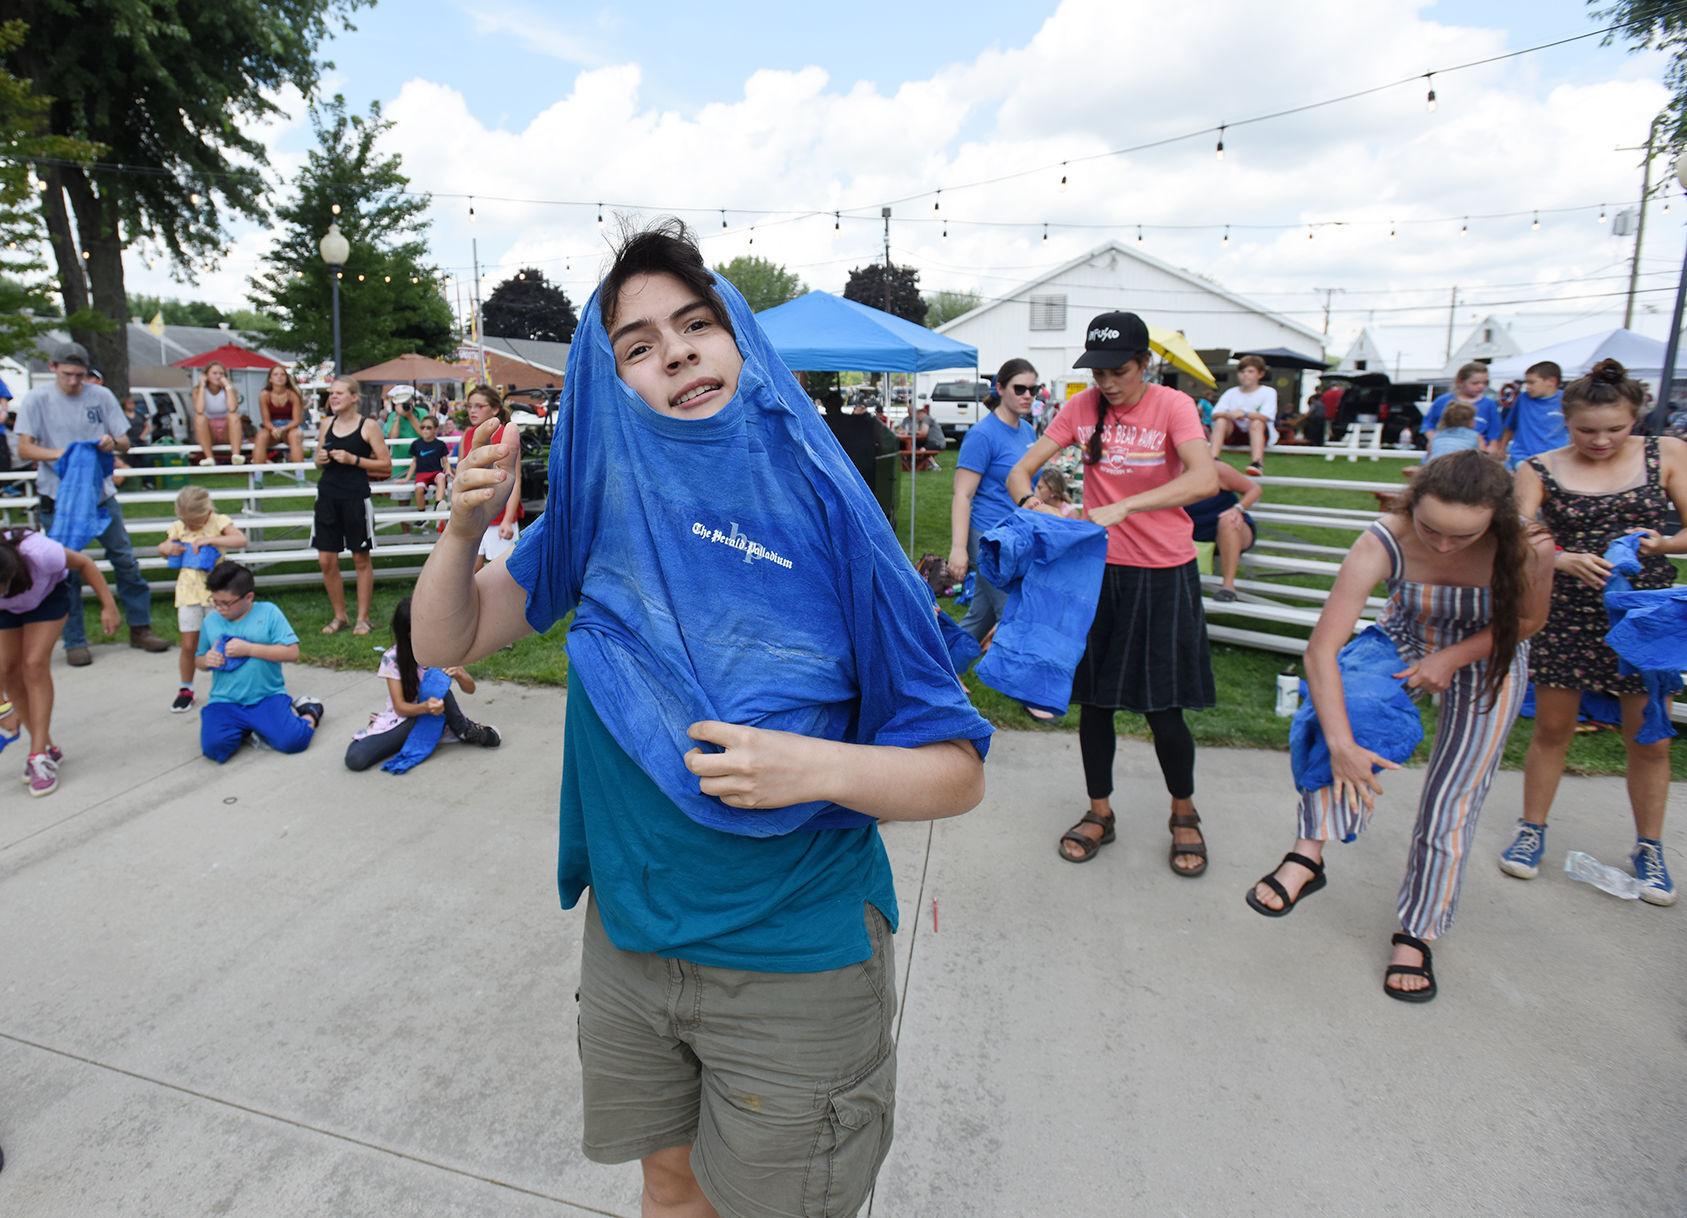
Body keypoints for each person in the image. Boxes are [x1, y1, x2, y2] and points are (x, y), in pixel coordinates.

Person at [411, 219, 989, 1218]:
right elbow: (445, 642)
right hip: (632, 944)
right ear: (612, 383)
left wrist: (810, 768)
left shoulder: (835, 520)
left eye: (696, 324)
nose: (674, 350)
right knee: (669, 1188)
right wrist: (463, 531)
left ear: (740, 345)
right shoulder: (597, 512)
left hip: (792, 961)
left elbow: (955, 769)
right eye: (636, 345)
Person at [1247, 451, 1553, 1002]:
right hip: (1404, 638)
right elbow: (1321, 652)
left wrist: (1455, 657)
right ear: (1412, 504)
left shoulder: (1529, 545)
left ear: (1496, 521)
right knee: (1339, 712)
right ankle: (1308, 852)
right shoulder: (1383, 538)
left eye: (1462, 537)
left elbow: (1528, 621)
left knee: (1453, 800)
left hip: (1490, 653)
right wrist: (1342, 745)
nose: (1440, 545)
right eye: (1430, 528)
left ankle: (1415, 933)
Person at [1007, 311, 1220, 874]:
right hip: (1098, 574)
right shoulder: (1082, 409)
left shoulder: (1173, 407)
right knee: (1094, 704)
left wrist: (1128, 505)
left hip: (1163, 573)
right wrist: (1039, 509)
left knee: (1163, 709)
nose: (1107, 382)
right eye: (1098, 371)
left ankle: (1184, 812)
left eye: (1119, 370)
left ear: (1144, 364)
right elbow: (1019, 472)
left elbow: (1206, 479)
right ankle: (1099, 811)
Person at [1503, 359, 1684, 906]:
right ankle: (1531, 829)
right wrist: (1562, 559)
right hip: (1566, 613)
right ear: (1565, 420)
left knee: (1647, 737)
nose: (1601, 440)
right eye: (1586, 431)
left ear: (1637, 418)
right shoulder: (1537, 466)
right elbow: (1516, 534)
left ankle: (1649, 847)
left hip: (1644, 615)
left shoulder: (1669, 453)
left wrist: (1660, 544)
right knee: (1553, 728)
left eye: (1616, 429)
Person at [13, 341, 171, 666]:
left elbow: (126, 440)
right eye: (68, 374)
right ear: (53, 367)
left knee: (125, 560)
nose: (74, 381)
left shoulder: (101, 396)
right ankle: (75, 640)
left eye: (80, 375)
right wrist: (64, 454)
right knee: (63, 568)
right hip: (58, 499)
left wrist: (112, 442)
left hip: (100, 496)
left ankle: (140, 628)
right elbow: (25, 449)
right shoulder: (36, 400)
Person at [0, 527, 121, 795]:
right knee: (7, 669)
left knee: (33, 664)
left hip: (46, 598)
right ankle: (47, 747)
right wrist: (3, 710)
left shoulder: (40, 553)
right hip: (8, 610)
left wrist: (108, 606)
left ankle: (37, 757)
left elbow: (85, 563)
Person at [344, 596, 499, 771]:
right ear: (407, 634)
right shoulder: (393, 658)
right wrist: (426, 708)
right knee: (355, 759)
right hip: (408, 717)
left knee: (441, 692)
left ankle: (466, 730)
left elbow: (470, 689)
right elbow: (401, 707)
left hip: (440, 709)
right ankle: (424, 732)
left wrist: (461, 674)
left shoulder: (439, 650)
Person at [946, 359, 1041, 643]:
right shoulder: (982, 434)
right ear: (1000, 388)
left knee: (980, 616)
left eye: (1033, 390)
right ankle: (1017, 684)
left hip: (1018, 535)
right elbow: (963, 495)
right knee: (1012, 616)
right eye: (1020, 388)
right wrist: (959, 549)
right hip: (990, 538)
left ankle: (942, 669)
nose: (1027, 395)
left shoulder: (1027, 431)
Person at [197, 560, 322, 762]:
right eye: (214, 601)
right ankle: (249, 728)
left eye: (226, 603)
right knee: (214, 748)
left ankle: (311, 711)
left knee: (293, 742)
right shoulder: (211, 621)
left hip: (266, 696)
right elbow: (198, 660)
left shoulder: (269, 612)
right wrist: (207, 660)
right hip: (225, 700)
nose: (219, 608)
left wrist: (250, 649)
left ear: (248, 597)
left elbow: (292, 652)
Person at [312, 376, 391, 636]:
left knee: (360, 558)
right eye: (331, 393)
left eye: (339, 393)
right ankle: (340, 616)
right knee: (326, 560)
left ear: (354, 397)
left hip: (355, 497)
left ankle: (363, 618)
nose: (333, 397)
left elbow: (386, 465)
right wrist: (321, 458)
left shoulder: (368, 426)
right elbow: (317, 461)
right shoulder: (326, 424)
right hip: (327, 496)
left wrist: (353, 459)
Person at [160, 486, 248, 713]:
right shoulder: (179, 527)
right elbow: (163, 547)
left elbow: (240, 540)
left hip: (217, 595)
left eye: (195, 522)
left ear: (207, 513)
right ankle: (186, 688)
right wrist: (169, 548)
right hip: (188, 593)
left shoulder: (219, 522)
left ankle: (229, 686)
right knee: (189, 644)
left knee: (221, 641)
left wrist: (210, 540)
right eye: (187, 521)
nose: (191, 526)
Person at [462, 386, 521, 572]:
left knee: (501, 572)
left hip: (500, 514)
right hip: (474, 511)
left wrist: (508, 519)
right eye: (469, 406)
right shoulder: (468, 434)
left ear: (495, 409)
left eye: (479, 406)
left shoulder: (507, 434)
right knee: (471, 570)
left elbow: (515, 480)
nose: (472, 410)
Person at [1185, 462, 1260, 601]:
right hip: (1194, 534)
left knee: (1228, 520)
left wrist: (1238, 508)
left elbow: (1254, 489)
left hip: (1233, 529)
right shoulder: (1165, 471)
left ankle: (1228, 586)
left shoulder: (1217, 469)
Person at [1209, 355, 1277, 475]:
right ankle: (1213, 458)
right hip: (1234, 433)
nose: (1245, 374)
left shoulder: (1268, 392)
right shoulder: (1231, 393)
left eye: (1250, 371)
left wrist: (1245, 414)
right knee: (1221, 421)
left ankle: (1257, 462)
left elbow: (1266, 417)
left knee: (1257, 423)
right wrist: (1229, 415)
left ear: (1260, 374)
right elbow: (1215, 414)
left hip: (1259, 433)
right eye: (1242, 371)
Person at [1496, 361, 1565, 471]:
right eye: (1526, 383)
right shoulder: (1522, 399)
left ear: (1551, 381)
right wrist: (1502, 448)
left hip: (1557, 459)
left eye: (1532, 383)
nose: (1527, 387)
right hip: (1523, 457)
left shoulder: (1567, 400)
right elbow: (1510, 426)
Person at [1423, 362, 1502, 448]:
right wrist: (1434, 441)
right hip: (1446, 449)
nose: (1481, 386)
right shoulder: (1442, 401)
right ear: (1460, 382)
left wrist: (1492, 448)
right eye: (1475, 383)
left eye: (1485, 383)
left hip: (1476, 452)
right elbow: (1428, 425)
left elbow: (1494, 431)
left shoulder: (1489, 404)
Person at [191, 361, 246, 466]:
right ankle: (209, 458)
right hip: (209, 431)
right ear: (206, 375)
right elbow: (199, 409)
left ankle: (236, 455)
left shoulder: (230, 389)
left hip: (227, 430)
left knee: (233, 416)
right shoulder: (197, 390)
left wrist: (228, 387)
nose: (218, 376)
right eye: (215, 373)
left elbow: (232, 408)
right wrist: (202, 386)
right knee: (199, 418)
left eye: (221, 374)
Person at [254, 365, 306, 466]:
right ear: (270, 379)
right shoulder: (264, 395)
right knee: (261, 436)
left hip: (290, 427)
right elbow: (266, 421)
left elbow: (296, 420)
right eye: (276, 374)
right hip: (271, 428)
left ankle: (300, 477)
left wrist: (283, 429)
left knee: (294, 435)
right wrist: (273, 429)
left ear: (286, 379)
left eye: (283, 374)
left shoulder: (293, 394)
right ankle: (257, 477)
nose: (279, 377)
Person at [407, 412, 452, 519]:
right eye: (422, 427)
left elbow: (445, 461)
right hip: (421, 474)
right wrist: (407, 478)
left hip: (436, 472)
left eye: (428, 428)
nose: (425, 430)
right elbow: (414, 462)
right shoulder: (416, 444)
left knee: (441, 477)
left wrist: (448, 470)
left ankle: (438, 503)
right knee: (419, 490)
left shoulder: (440, 444)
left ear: (435, 429)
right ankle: (422, 515)